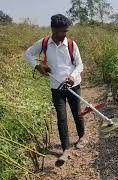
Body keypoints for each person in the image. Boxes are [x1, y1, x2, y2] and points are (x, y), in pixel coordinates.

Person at [25, 14, 85, 166]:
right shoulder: (44, 43)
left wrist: (72, 76)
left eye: (66, 31)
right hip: (56, 87)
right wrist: (38, 66)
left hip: (73, 85)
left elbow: (80, 65)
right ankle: (65, 148)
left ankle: (81, 137)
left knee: (77, 113)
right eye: (60, 32)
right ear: (53, 29)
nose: (63, 34)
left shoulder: (71, 44)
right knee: (61, 117)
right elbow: (28, 54)